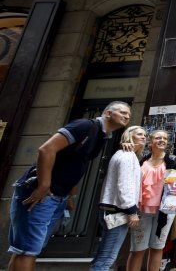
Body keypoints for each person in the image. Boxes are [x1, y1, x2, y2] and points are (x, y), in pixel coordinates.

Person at [8, 101, 131, 271]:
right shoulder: (84, 126)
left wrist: (70, 195)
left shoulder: (103, 136)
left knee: (26, 248)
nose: (126, 116)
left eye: (128, 115)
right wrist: (44, 185)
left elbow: (80, 164)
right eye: (123, 112)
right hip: (43, 193)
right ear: (108, 113)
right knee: (28, 250)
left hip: (59, 196)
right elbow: (46, 149)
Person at [127, 130, 176, 271]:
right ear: (150, 142)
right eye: (158, 137)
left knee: (157, 248)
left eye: (165, 138)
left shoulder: (172, 161)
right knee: (137, 249)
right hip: (142, 211)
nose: (162, 140)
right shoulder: (141, 160)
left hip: (164, 212)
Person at [91, 126, 146, 270]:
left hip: (110, 209)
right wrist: (131, 211)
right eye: (139, 134)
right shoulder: (127, 155)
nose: (143, 137)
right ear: (129, 136)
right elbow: (125, 185)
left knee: (103, 255)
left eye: (145, 134)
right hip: (117, 211)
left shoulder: (125, 154)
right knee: (107, 257)